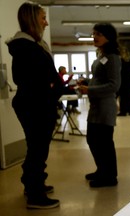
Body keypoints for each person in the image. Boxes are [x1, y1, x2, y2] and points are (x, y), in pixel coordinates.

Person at [6, 1, 62, 209]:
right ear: (32, 19)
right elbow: (36, 78)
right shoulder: (26, 48)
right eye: (43, 18)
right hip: (34, 105)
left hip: (37, 103)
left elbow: (48, 77)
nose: (46, 23)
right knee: (38, 149)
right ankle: (35, 195)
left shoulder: (33, 45)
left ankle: (33, 183)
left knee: (37, 148)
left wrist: (53, 85)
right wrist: (52, 87)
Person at [79, 23, 121, 187]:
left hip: (105, 106)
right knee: (93, 140)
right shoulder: (101, 55)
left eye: (99, 34)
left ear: (108, 37)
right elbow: (100, 80)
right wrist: (87, 82)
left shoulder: (112, 57)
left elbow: (114, 85)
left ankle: (110, 177)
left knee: (104, 142)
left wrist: (89, 88)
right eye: (94, 33)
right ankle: (102, 170)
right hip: (96, 106)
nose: (95, 36)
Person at [117, 48, 130, 116]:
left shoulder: (121, 61)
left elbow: (119, 72)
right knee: (129, 96)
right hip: (129, 80)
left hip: (123, 80)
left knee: (123, 96)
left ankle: (123, 111)